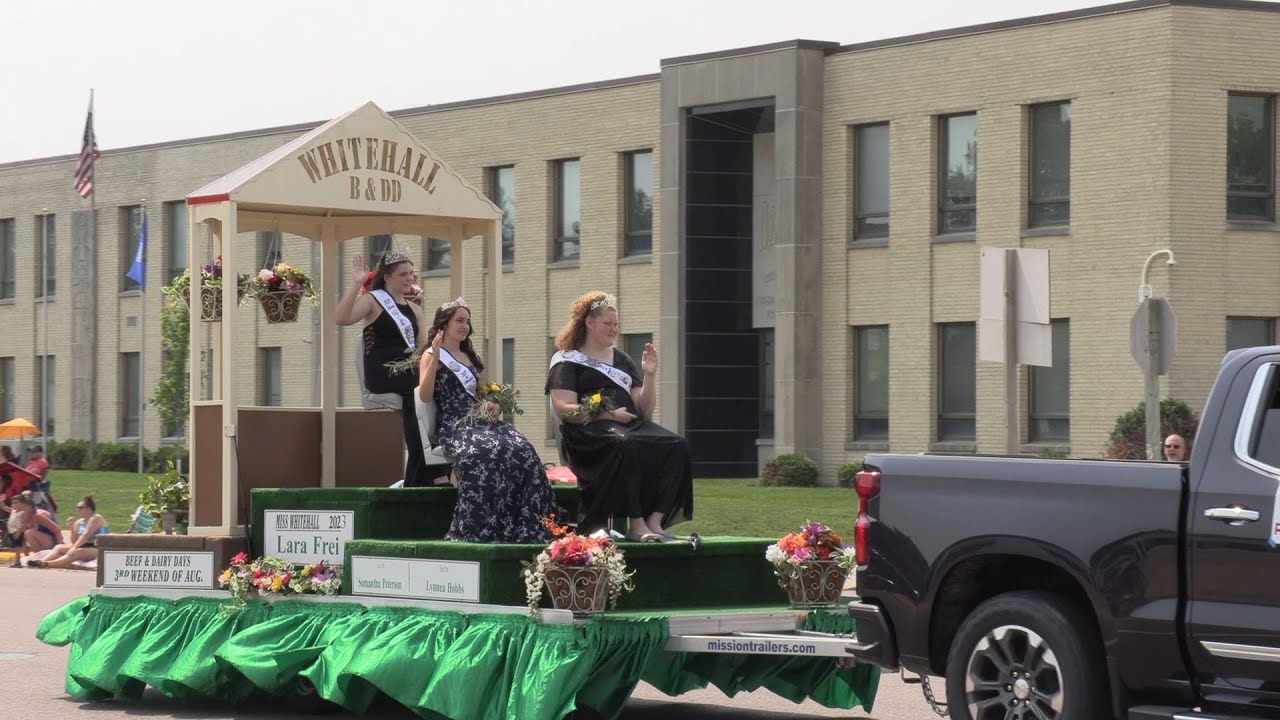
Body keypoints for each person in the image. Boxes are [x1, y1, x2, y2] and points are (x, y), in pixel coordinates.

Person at [546, 291, 693, 542]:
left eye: (616, 324)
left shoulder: (623, 360)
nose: (614, 329)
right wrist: (607, 413)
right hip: (589, 432)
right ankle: (636, 525)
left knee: (676, 445)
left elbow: (644, 410)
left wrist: (649, 375)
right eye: (608, 324)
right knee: (626, 444)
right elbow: (565, 409)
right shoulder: (567, 360)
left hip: (629, 425)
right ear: (589, 323)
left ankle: (654, 521)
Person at [417, 298, 555, 543]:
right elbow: (425, 395)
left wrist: (494, 403)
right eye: (459, 321)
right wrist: (436, 356)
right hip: (455, 423)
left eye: (467, 321)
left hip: (480, 420)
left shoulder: (469, 355)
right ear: (444, 324)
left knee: (521, 450)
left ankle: (523, 525)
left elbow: (481, 392)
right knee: (486, 452)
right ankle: (478, 526)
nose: (465, 326)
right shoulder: (430, 355)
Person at [335, 251, 445, 487]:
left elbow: (422, 350)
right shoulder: (373, 300)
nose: (409, 278)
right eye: (403, 274)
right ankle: (429, 472)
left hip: (409, 373)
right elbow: (342, 318)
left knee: (438, 386)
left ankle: (428, 468)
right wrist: (356, 283)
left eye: (411, 274)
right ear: (388, 277)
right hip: (382, 372)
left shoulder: (415, 310)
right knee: (418, 386)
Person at [28, 495, 110, 569]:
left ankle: (48, 564)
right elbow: (74, 541)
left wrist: (74, 548)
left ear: (89, 508)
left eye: (80, 507)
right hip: (84, 546)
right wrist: (72, 528)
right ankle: (40, 562)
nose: (78, 510)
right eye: (77, 508)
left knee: (76, 552)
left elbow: (86, 535)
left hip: (97, 547)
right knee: (59, 547)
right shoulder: (79, 522)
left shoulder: (96, 518)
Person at [7, 492, 60, 566]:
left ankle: (40, 557)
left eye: (25, 507)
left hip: (51, 541)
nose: (22, 509)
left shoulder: (38, 515)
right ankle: (36, 557)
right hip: (42, 540)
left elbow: (57, 530)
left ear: (30, 507)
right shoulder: (24, 516)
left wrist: (59, 545)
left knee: (29, 533)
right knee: (23, 535)